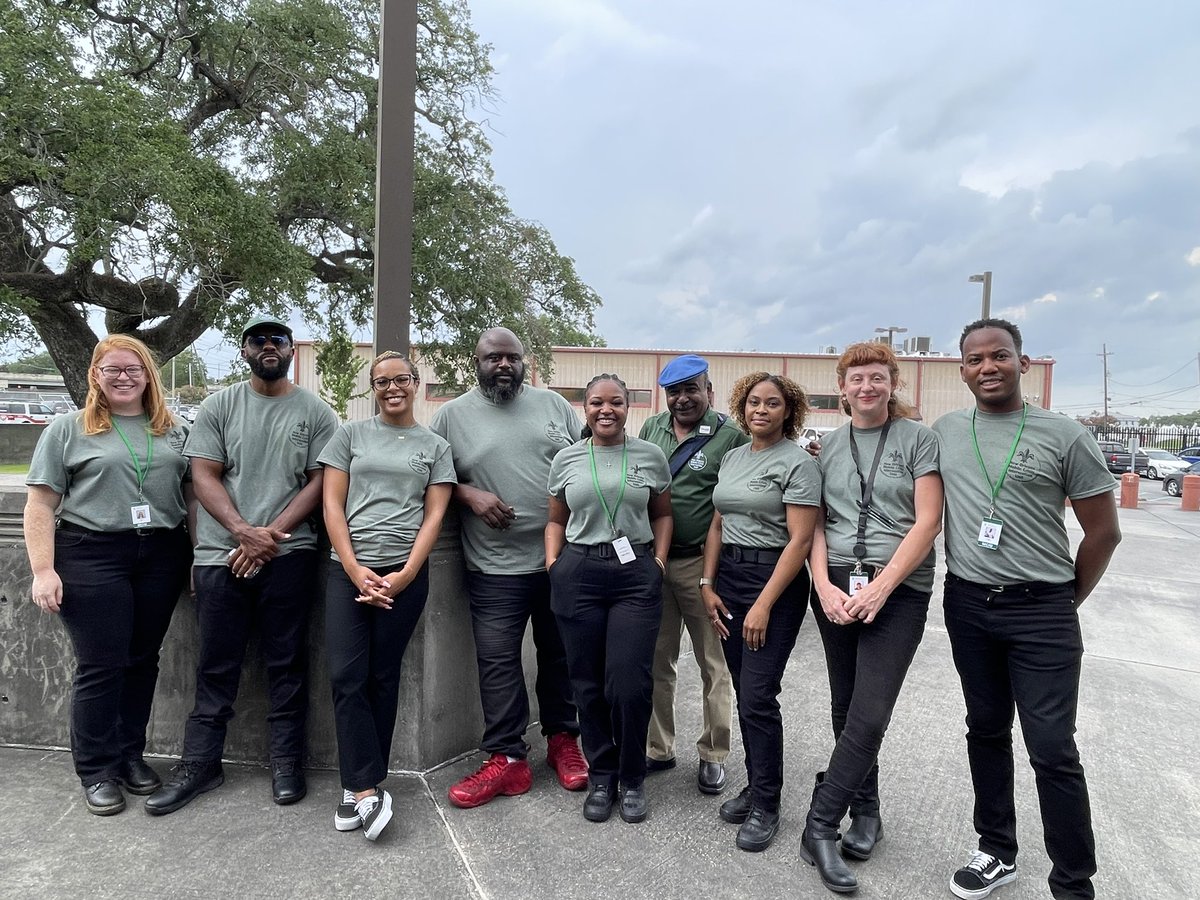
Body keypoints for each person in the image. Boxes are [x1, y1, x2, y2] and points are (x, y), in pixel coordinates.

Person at [935, 319, 1121, 900]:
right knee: (985, 730)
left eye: (999, 356)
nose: (987, 367)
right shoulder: (943, 432)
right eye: (974, 359)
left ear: (1023, 361)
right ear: (962, 369)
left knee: (1052, 748)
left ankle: (1072, 882)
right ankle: (996, 850)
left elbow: (1104, 533)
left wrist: (1064, 601)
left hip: (1042, 609)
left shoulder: (1063, 434)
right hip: (966, 604)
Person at [145, 316, 339, 816]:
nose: (269, 346)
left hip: (289, 555)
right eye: (259, 340)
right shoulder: (219, 405)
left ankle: (286, 761)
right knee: (216, 663)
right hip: (219, 555)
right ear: (244, 350)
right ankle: (201, 764)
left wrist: (269, 536)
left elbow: (319, 483)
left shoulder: (316, 412)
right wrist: (242, 532)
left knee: (287, 660)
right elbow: (203, 476)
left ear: (291, 350)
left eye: (278, 340)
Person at [24, 334, 193, 816]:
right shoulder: (68, 429)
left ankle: (129, 756)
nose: (123, 377)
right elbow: (40, 503)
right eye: (112, 369)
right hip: (91, 552)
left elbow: (194, 497)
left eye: (133, 369)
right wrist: (42, 570)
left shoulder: (174, 429)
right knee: (101, 665)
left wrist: (199, 557)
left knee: (143, 660)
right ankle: (96, 769)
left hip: (161, 551)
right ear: (95, 374)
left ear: (148, 376)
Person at [801, 342, 943, 893]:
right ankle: (867, 811)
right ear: (842, 387)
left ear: (892, 383)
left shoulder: (918, 439)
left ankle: (820, 823)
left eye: (877, 378)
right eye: (856, 378)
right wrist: (823, 585)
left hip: (898, 590)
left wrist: (882, 588)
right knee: (845, 706)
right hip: (836, 587)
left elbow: (927, 522)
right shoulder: (828, 446)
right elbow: (813, 524)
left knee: (871, 711)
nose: (867, 387)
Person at [430, 327, 588, 809]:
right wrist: (469, 493)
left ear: (525, 362)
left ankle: (564, 742)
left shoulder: (556, 407)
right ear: (475, 362)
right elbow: (431, 475)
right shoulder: (451, 416)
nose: (504, 365)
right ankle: (508, 759)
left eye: (512, 358)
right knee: (498, 664)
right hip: (493, 567)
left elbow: (587, 461)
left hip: (559, 561)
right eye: (493, 357)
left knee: (560, 657)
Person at [320, 352, 456, 841]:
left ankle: (362, 782)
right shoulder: (349, 436)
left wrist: (403, 575)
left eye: (401, 379)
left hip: (405, 575)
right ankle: (363, 786)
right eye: (381, 381)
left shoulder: (435, 446)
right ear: (372, 388)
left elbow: (434, 517)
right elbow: (332, 506)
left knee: (381, 674)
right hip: (347, 572)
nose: (392, 387)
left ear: (416, 384)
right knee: (345, 675)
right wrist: (357, 571)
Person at [701, 372, 821, 852]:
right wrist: (707, 584)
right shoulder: (731, 456)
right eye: (753, 402)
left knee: (756, 696)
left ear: (788, 411)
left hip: (775, 583)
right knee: (743, 689)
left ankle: (767, 803)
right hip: (729, 578)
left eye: (772, 403)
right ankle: (755, 786)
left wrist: (764, 605)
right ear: (742, 406)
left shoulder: (797, 464)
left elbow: (802, 540)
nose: (761, 410)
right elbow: (717, 523)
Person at [546, 373, 673, 824]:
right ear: (584, 408)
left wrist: (657, 562)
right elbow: (556, 520)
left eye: (616, 402)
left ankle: (632, 777)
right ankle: (601, 775)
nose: (607, 410)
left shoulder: (650, 456)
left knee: (629, 682)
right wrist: (554, 564)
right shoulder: (567, 459)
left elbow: (662, 514)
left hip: (633, 574)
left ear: (627, 407)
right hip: (578, 570)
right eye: (597, 402)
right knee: (586, 682)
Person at [641, 354, 745, 794]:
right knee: (655, 660)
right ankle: (658, 748)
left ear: (709, 391)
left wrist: (714, 573)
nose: (682, 399)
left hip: (705, 567)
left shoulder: (731, 437)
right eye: (674, 391)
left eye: (691, 389)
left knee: (713, 665)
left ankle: (713, 755)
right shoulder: (651, 429)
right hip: (654, 560)